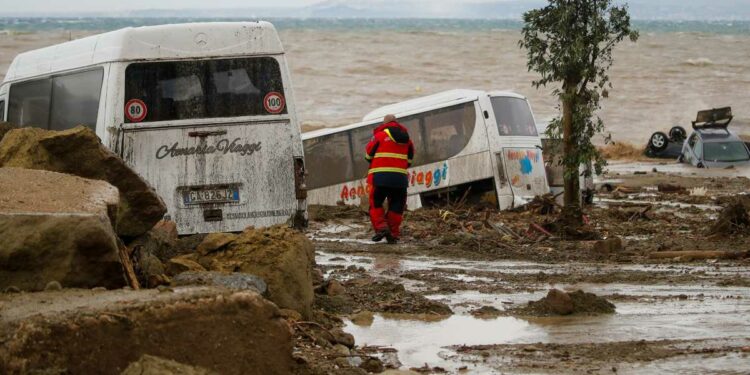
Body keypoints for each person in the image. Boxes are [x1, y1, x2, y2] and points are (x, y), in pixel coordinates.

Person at [366, 114, 414, 244]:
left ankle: (381, 228)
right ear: (397, 123)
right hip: (400, 179)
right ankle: (392, 233)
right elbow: (409, 160)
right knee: (397, 206)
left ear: (384, 124)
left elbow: (368, 155)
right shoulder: (407, 139)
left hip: (380, 177)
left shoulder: (379, 136)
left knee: (375, 203)